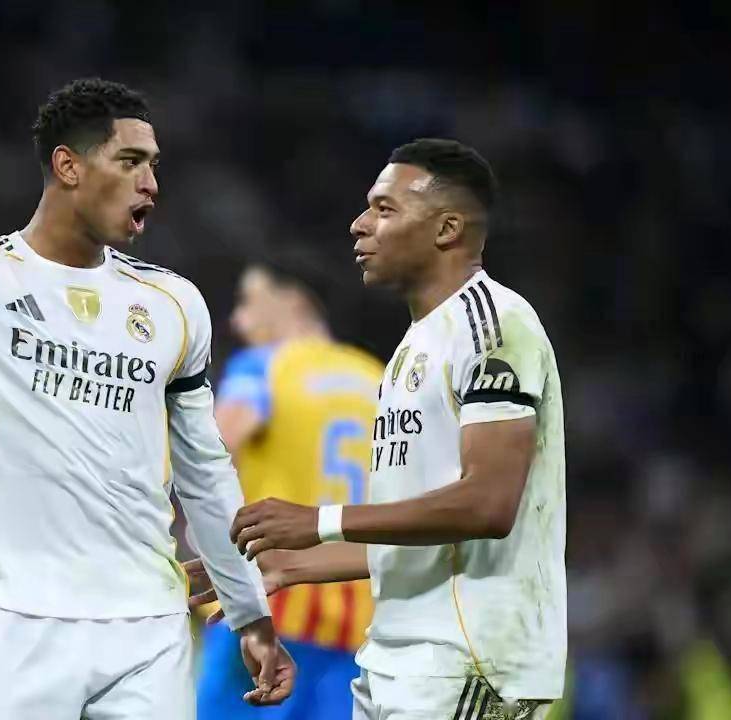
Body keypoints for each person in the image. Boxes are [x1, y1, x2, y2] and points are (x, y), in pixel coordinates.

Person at [0, 35, 294, 719]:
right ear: (68, 166)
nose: (150, 183)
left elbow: (205, 470)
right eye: (130, 161)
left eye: (154, 165)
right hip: (19, 621)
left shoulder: (173, 304)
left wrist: (250, 613)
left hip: (149, 626)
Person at [191, 139, 566, 719]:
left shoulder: (494, 325)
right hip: (388, 655)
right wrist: (289, 566)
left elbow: (489, 505)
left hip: (466, 657)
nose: (359, 224)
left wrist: (319, 522)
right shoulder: (396, 360)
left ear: (447, 229)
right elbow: (424, 530)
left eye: (384, 209)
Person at [191, 261, 382, 720]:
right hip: (359, 617)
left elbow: (213, 448)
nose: (238, 320)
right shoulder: (379, 378)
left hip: (271, 605)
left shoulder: (263, 367)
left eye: (249, 301)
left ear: (293, 300)